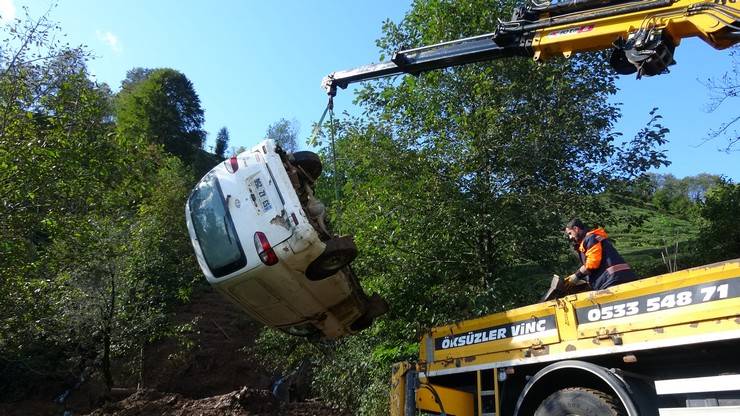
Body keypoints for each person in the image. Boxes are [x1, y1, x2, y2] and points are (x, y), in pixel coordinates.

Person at [564, 219, 639, 290]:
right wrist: (586, 281)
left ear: (576, 228)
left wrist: (577, 276)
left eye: (570, 233)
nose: (570, 237)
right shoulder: (593, 239)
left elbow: (592, 264)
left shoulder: (590, 239)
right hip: (620, 278)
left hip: (613, 281)